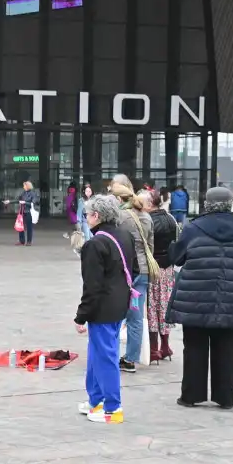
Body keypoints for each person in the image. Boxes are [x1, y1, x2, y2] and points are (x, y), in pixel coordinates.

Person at [167, 187, 233, 410]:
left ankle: (191, 395)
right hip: (231, 296)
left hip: (195, 296)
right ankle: (225, 397)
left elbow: (178, 258)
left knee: (194, 346)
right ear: (230, 204)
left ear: (206, 204)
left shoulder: (193, 228)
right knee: (226, 347)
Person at [74, 195, 134, 424]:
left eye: (87, 214)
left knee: (105, 356)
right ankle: (96, 399)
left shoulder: (95, 244)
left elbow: (92, 285)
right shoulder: (124, 235)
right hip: (120, 303)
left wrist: (81, 315)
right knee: (96, 354)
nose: (86, 218)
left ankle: (112, 408)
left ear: (96, 216)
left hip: (103, 307)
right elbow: (133, 269)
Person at [109, 175, 153, 372]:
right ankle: (131, 359)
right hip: (143, 272)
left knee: (115, 313)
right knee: (135, 316)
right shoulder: (146, 216)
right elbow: (150, 246)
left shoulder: (121, 218)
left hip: (126, 271)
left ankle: (110, 353)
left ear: (119, 199)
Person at [145, 189, 179, 363]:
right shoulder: (171, 219)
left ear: (150, 204)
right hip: (168, 268)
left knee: (151, 307)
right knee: (164, 306)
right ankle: (165, 346)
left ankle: (153, 349)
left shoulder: (148, 220)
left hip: (153, 269)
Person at [6, 181, 40, 246]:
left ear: (27, 186)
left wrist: (25, 203)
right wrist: (10, 201)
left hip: (29, 212)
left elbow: (33, 203)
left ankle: (29, 241)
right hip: (22, 211)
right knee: (20, 226)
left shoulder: (33, 194)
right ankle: (21, 241)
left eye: (24, 185)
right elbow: (19, 200)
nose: (23, 187)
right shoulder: (23, 193)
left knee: (29, 227)